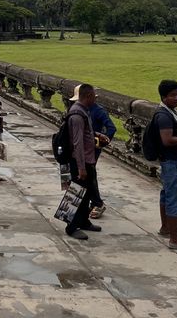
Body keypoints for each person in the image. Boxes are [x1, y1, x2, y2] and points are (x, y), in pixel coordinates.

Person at [154, 79, 177, 251]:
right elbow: (167, 140)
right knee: (175, 199)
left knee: (167, 195)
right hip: (173, 162)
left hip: (170, 162)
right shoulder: (164, 116)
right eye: (173, 95)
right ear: (164, 97)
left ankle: (165, 228)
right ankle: (174, 239)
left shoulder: (168, 112)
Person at [68, 85, 116, 219]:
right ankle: (81, 212)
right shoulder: (78, 112)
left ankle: (93, 205)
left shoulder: (96, 111)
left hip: (89, 151)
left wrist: (101, 142)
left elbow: (111, 128)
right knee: (83, 181)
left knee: (87, 179)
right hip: (80, 152)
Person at [65, 84, 104, 240]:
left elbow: (86, 133)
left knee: (87, 194)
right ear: (88, 96)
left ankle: (84, 221)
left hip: (88, 159)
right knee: (78, 194)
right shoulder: (76, 114)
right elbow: (77, 143)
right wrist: (81, 167)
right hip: (80, 161)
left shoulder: (83, 111)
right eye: (94, 96)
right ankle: (71, 226)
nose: (95, 99)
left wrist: (97, 134)